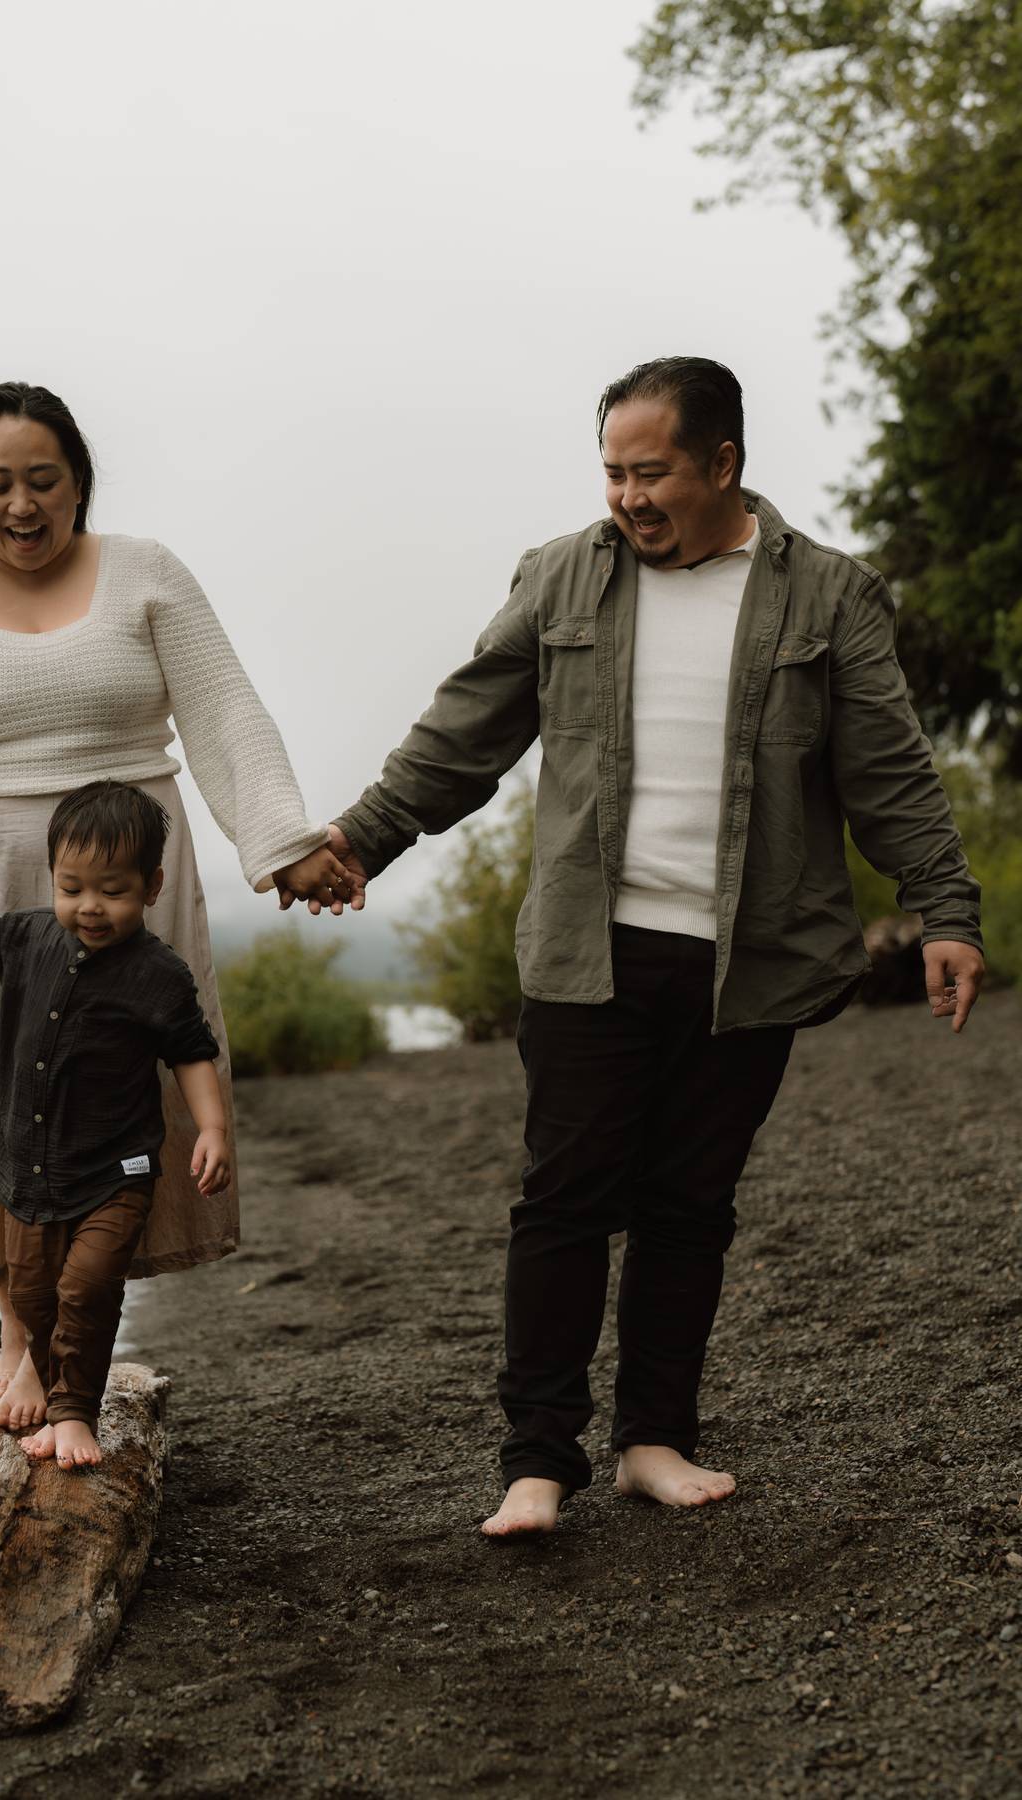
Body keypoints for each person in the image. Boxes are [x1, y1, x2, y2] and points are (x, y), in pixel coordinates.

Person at [320, 356, 985, 1536]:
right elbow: (463, 732)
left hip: (753, 959)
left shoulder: (826, 598)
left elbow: (885, 772)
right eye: (612, 472)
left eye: (650, 472)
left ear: (720, 464)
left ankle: (652, 1441)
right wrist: (362, 841)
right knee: (562, 1199)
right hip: (590, 950)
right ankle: (536, 1459)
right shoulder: (560, 576)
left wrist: (943, 909)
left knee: (688, 1204)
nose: (626, 497)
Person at [0, 381, 350, 1432]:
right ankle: (21, 1341)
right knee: (12, 1101)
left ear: (78, 480)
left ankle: (78, 1339)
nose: (22, 504)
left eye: (43, 479)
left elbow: (227, 713)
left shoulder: (146, 574)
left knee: (112, 1106)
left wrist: (286, 847)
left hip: (129, 878)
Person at [0, 783, 228, 1469]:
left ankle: (76, 1415)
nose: (90, 906)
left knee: (87, 1286)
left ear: (151, 885)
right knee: (29, 1293)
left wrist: (212, 1129)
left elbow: (193, 1053)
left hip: (118, 1171)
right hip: (29, 1168)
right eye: (72, 887)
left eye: (111, 890)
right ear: (53, 878)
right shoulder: (29, 937)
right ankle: (52, 1391)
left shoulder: (159, 974)